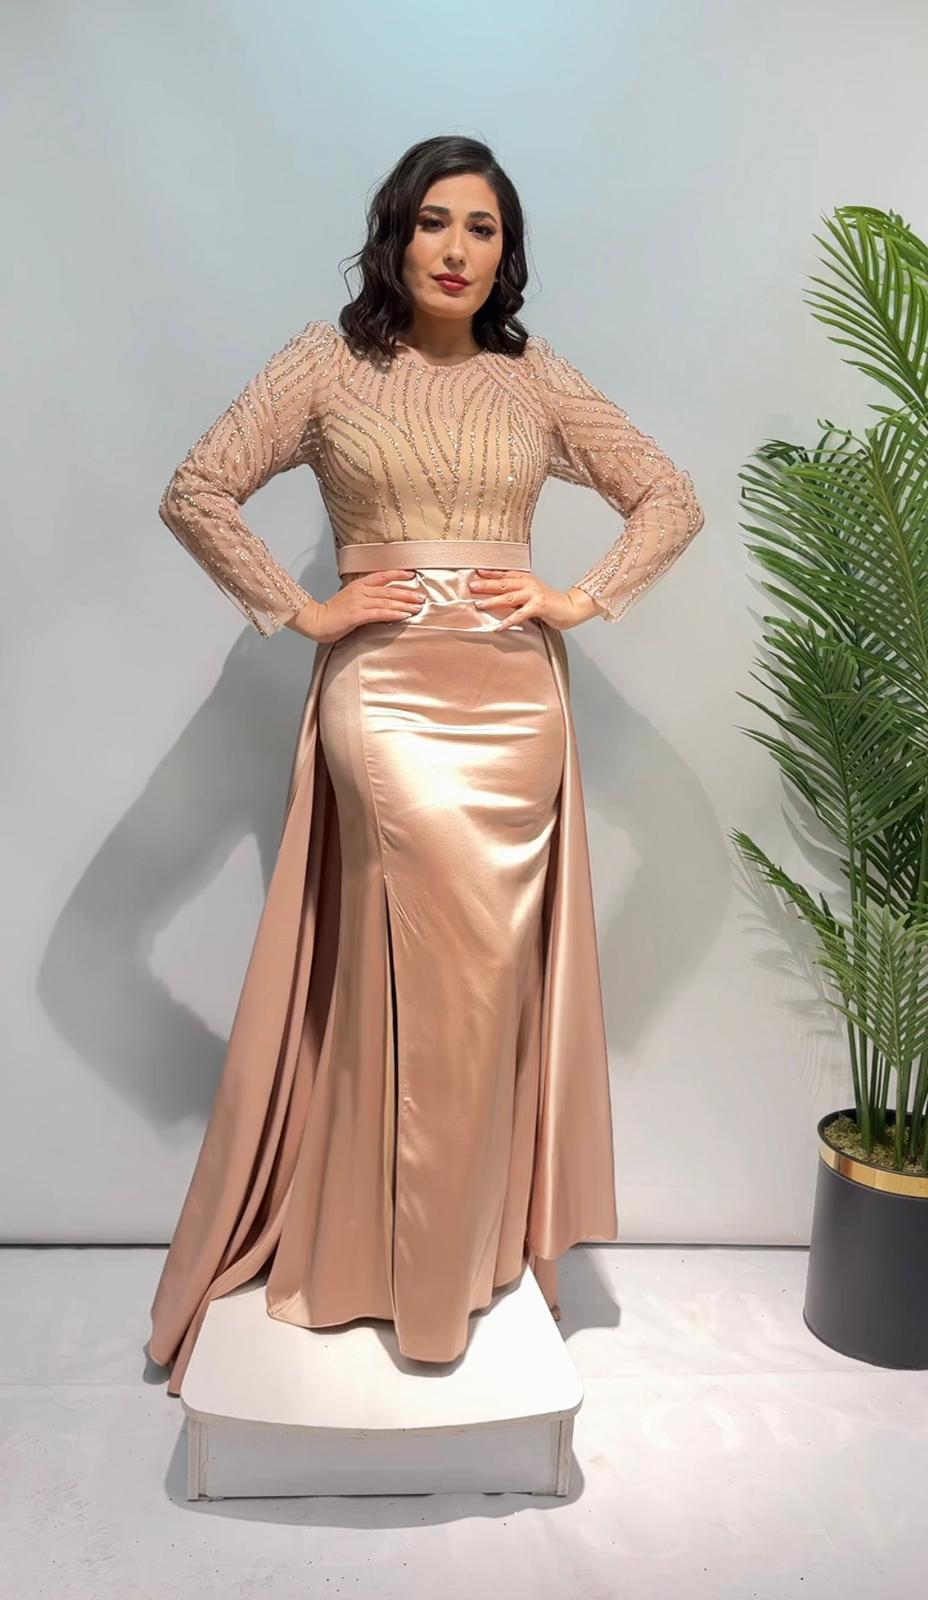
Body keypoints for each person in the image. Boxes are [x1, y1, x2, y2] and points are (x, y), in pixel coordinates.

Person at [147, 134, 705, 1396]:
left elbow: (668, 494)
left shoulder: (532, 377)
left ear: (507, 254)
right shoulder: (325, 365)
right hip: (386, 694)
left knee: (485, 984)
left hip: (514, 701)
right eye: (433, 222)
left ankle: (454, 1252)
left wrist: (577, 598)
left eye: (483, 229)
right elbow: (198, 488)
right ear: (393, 234)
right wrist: (306, 610)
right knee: (413, 964)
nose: (456, 250)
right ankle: (379, 1253)